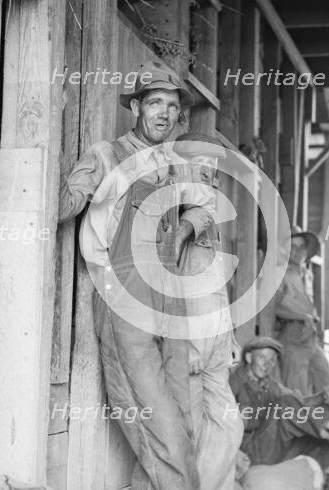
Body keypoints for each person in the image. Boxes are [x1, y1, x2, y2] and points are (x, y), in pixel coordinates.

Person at [58, 60, 215, 490]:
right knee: (156, 417)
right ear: (136, 108)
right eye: (154, 103)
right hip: (124, 290)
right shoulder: (107, 155)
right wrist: (69, 183)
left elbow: (208, 205)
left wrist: (186, 226)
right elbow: (64, 205)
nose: (164, 113)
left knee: (183, 414)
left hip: (170, 293)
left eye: (170, 105)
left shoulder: (174, 165)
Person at [172, 132, 244, 490]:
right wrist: (191, 346)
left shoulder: (210, 226)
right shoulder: (183, 215)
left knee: (229, 427)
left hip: (215, 345)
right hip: (193, 348)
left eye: (213, 166)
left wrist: (229, 337)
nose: (210, 172)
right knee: (194, 431)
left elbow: (215, 290)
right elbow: (179, 290)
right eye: (201, 164)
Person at [229, 337, 329, 490]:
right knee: (286, 404)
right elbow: (221, 422)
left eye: (272, 360)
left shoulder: (270, 384)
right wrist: (236, 454)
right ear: (249, 357)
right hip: (251, 450)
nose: (268, 365)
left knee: (312, 432)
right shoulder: (234, 382)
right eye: (262, 358)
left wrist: (321, 397)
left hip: (272, 446)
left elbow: (299, 403)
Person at [274, 227, 329, 411]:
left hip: (311, 338)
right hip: (292, 336)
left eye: (301, 247)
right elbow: (272, 308)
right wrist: (302, 317)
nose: (297, 251)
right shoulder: (279, 273)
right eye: (292, 246)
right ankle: (297, 437)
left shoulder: (307, 275)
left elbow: (309, 306)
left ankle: (323, 433)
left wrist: (313, 323)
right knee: (297, 394)